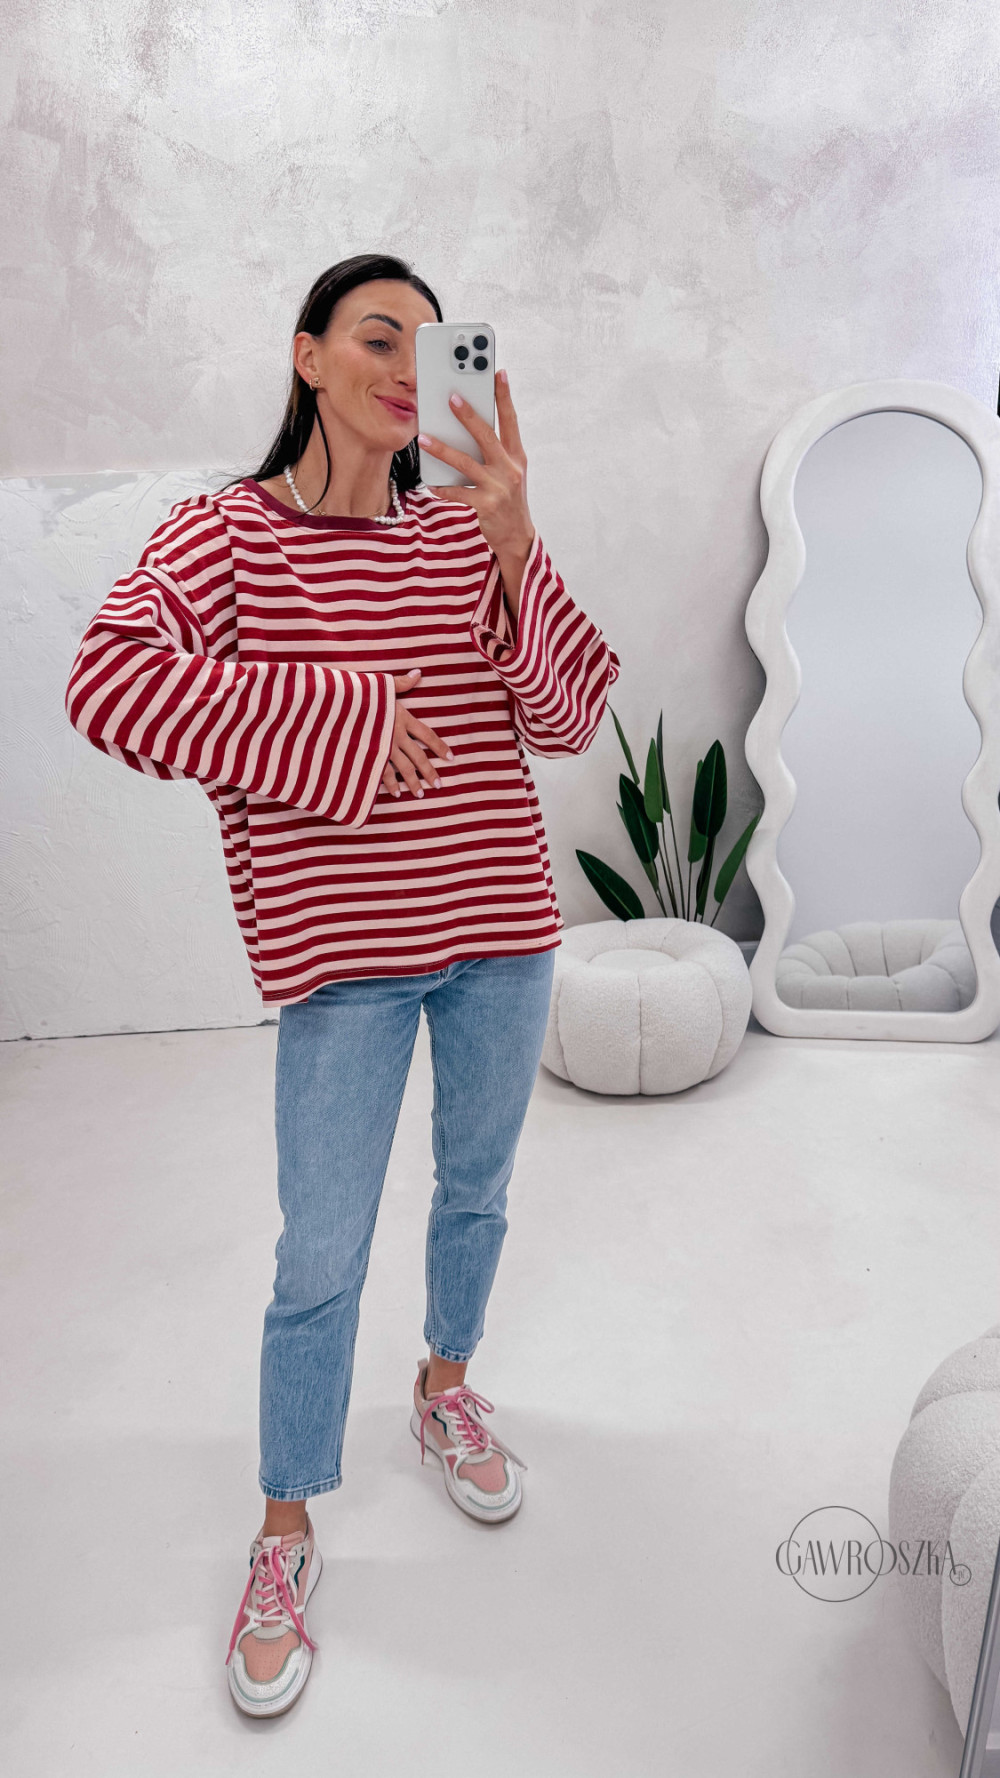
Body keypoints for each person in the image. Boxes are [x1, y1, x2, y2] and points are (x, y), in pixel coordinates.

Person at [64, 252, 620, 1717]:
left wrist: (516, 541)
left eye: (431, 350)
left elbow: (568, 717)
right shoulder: (227, 536)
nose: (406, 369)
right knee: (319, 1252)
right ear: (306, 356)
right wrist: (343, 713)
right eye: (379, 338)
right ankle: (287, 1524)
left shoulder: (460, 532)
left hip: (502, 929)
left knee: (477, 1187)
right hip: (348, 963)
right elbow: (108, 682)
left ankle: (445, 1388)